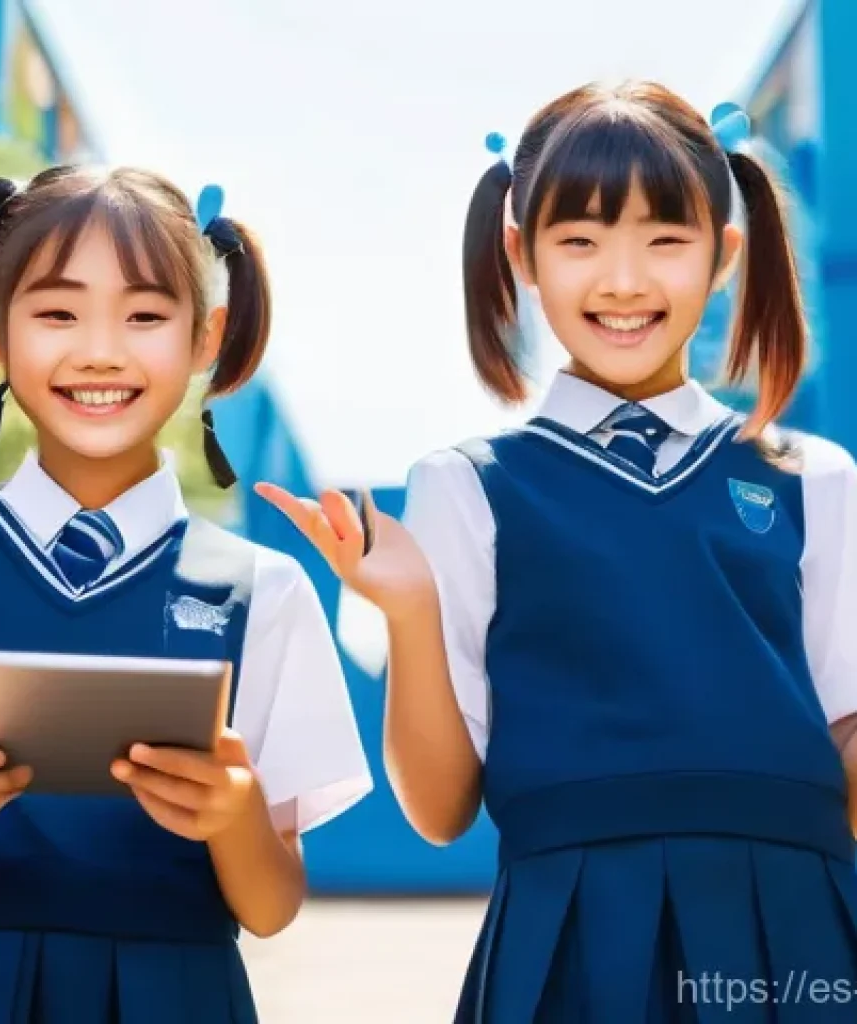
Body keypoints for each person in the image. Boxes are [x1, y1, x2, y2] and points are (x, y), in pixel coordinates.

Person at [257, 82, 857, 1021]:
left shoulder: (813, 478)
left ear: (724, 256)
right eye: (580, 241)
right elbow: (441, 811)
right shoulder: (467, 485)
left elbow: (845, 744)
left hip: (795, 928)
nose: (623, 281)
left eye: (666, 240)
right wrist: (409, 610)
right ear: (520, 253)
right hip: (571, 935)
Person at [0, 165, 371, 1023]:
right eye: (57, 313)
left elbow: (272, 908)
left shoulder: (262, 593)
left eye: (145, 316)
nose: (100, 351)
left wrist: (232, 815)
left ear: (206, 338)